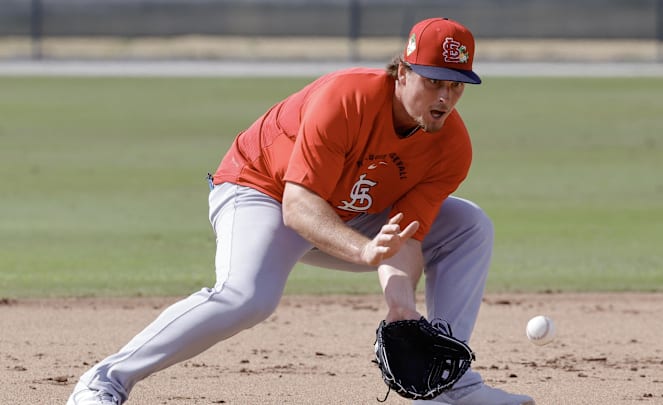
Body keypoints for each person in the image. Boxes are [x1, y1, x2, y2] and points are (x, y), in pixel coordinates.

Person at [67, 17, 535, 405]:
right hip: (262, 192)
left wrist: (402, 308)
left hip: (348, 211)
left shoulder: (451, 147)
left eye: (457, 85)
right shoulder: (347, 99)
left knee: (468, 224)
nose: (444, 97)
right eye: (434, 80)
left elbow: (405, 234)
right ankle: (105, 379)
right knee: (247, 297)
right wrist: (363, 249)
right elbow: (297, 206)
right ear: (402, 73)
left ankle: (446, 385)